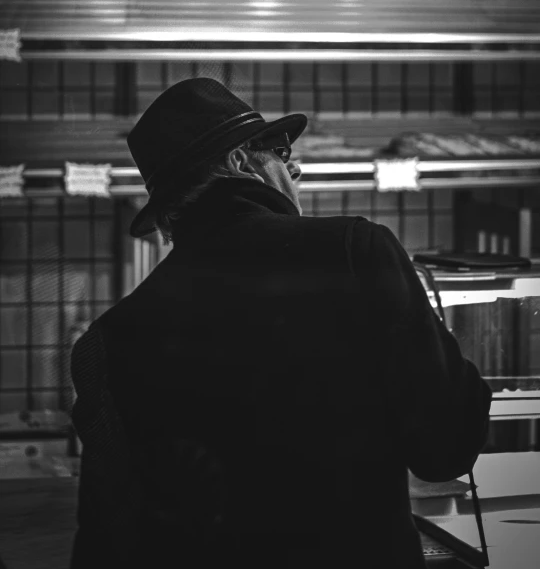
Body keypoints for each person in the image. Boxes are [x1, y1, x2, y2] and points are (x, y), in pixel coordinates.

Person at [69, 77, 492, 569]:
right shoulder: (356, 252)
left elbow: (106, 534)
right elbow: (447, 446)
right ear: (238, 163)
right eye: (277, 150)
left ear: (167, 216)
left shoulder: (110, 339)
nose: (295, 167)